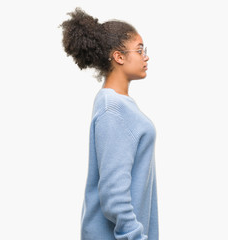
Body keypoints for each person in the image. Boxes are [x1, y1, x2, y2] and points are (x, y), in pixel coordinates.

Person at [59, 7, 159, 240]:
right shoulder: (112, 109)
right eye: (140, 49)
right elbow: (114, 196)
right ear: (119, 56)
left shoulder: (115, 104)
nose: (146, 56)